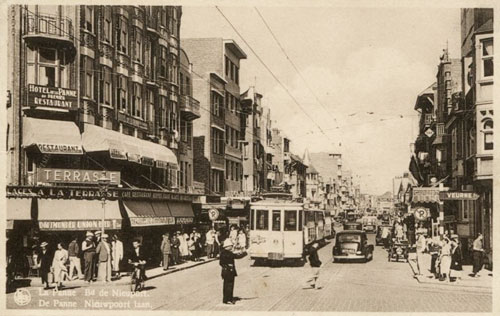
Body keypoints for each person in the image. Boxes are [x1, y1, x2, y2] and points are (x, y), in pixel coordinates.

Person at [219, 239, 238, 304]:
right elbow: (237, 256)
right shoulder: (229, 253)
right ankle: (229, 299)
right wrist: (246, 252)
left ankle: (225, 299)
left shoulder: (222, 253)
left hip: (225, 272)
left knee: (225, 285)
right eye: (231, 246)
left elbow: (220, 263)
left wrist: (225, 266)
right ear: (228, 246)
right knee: (230, 285)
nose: (232, 247)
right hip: (230, 271)